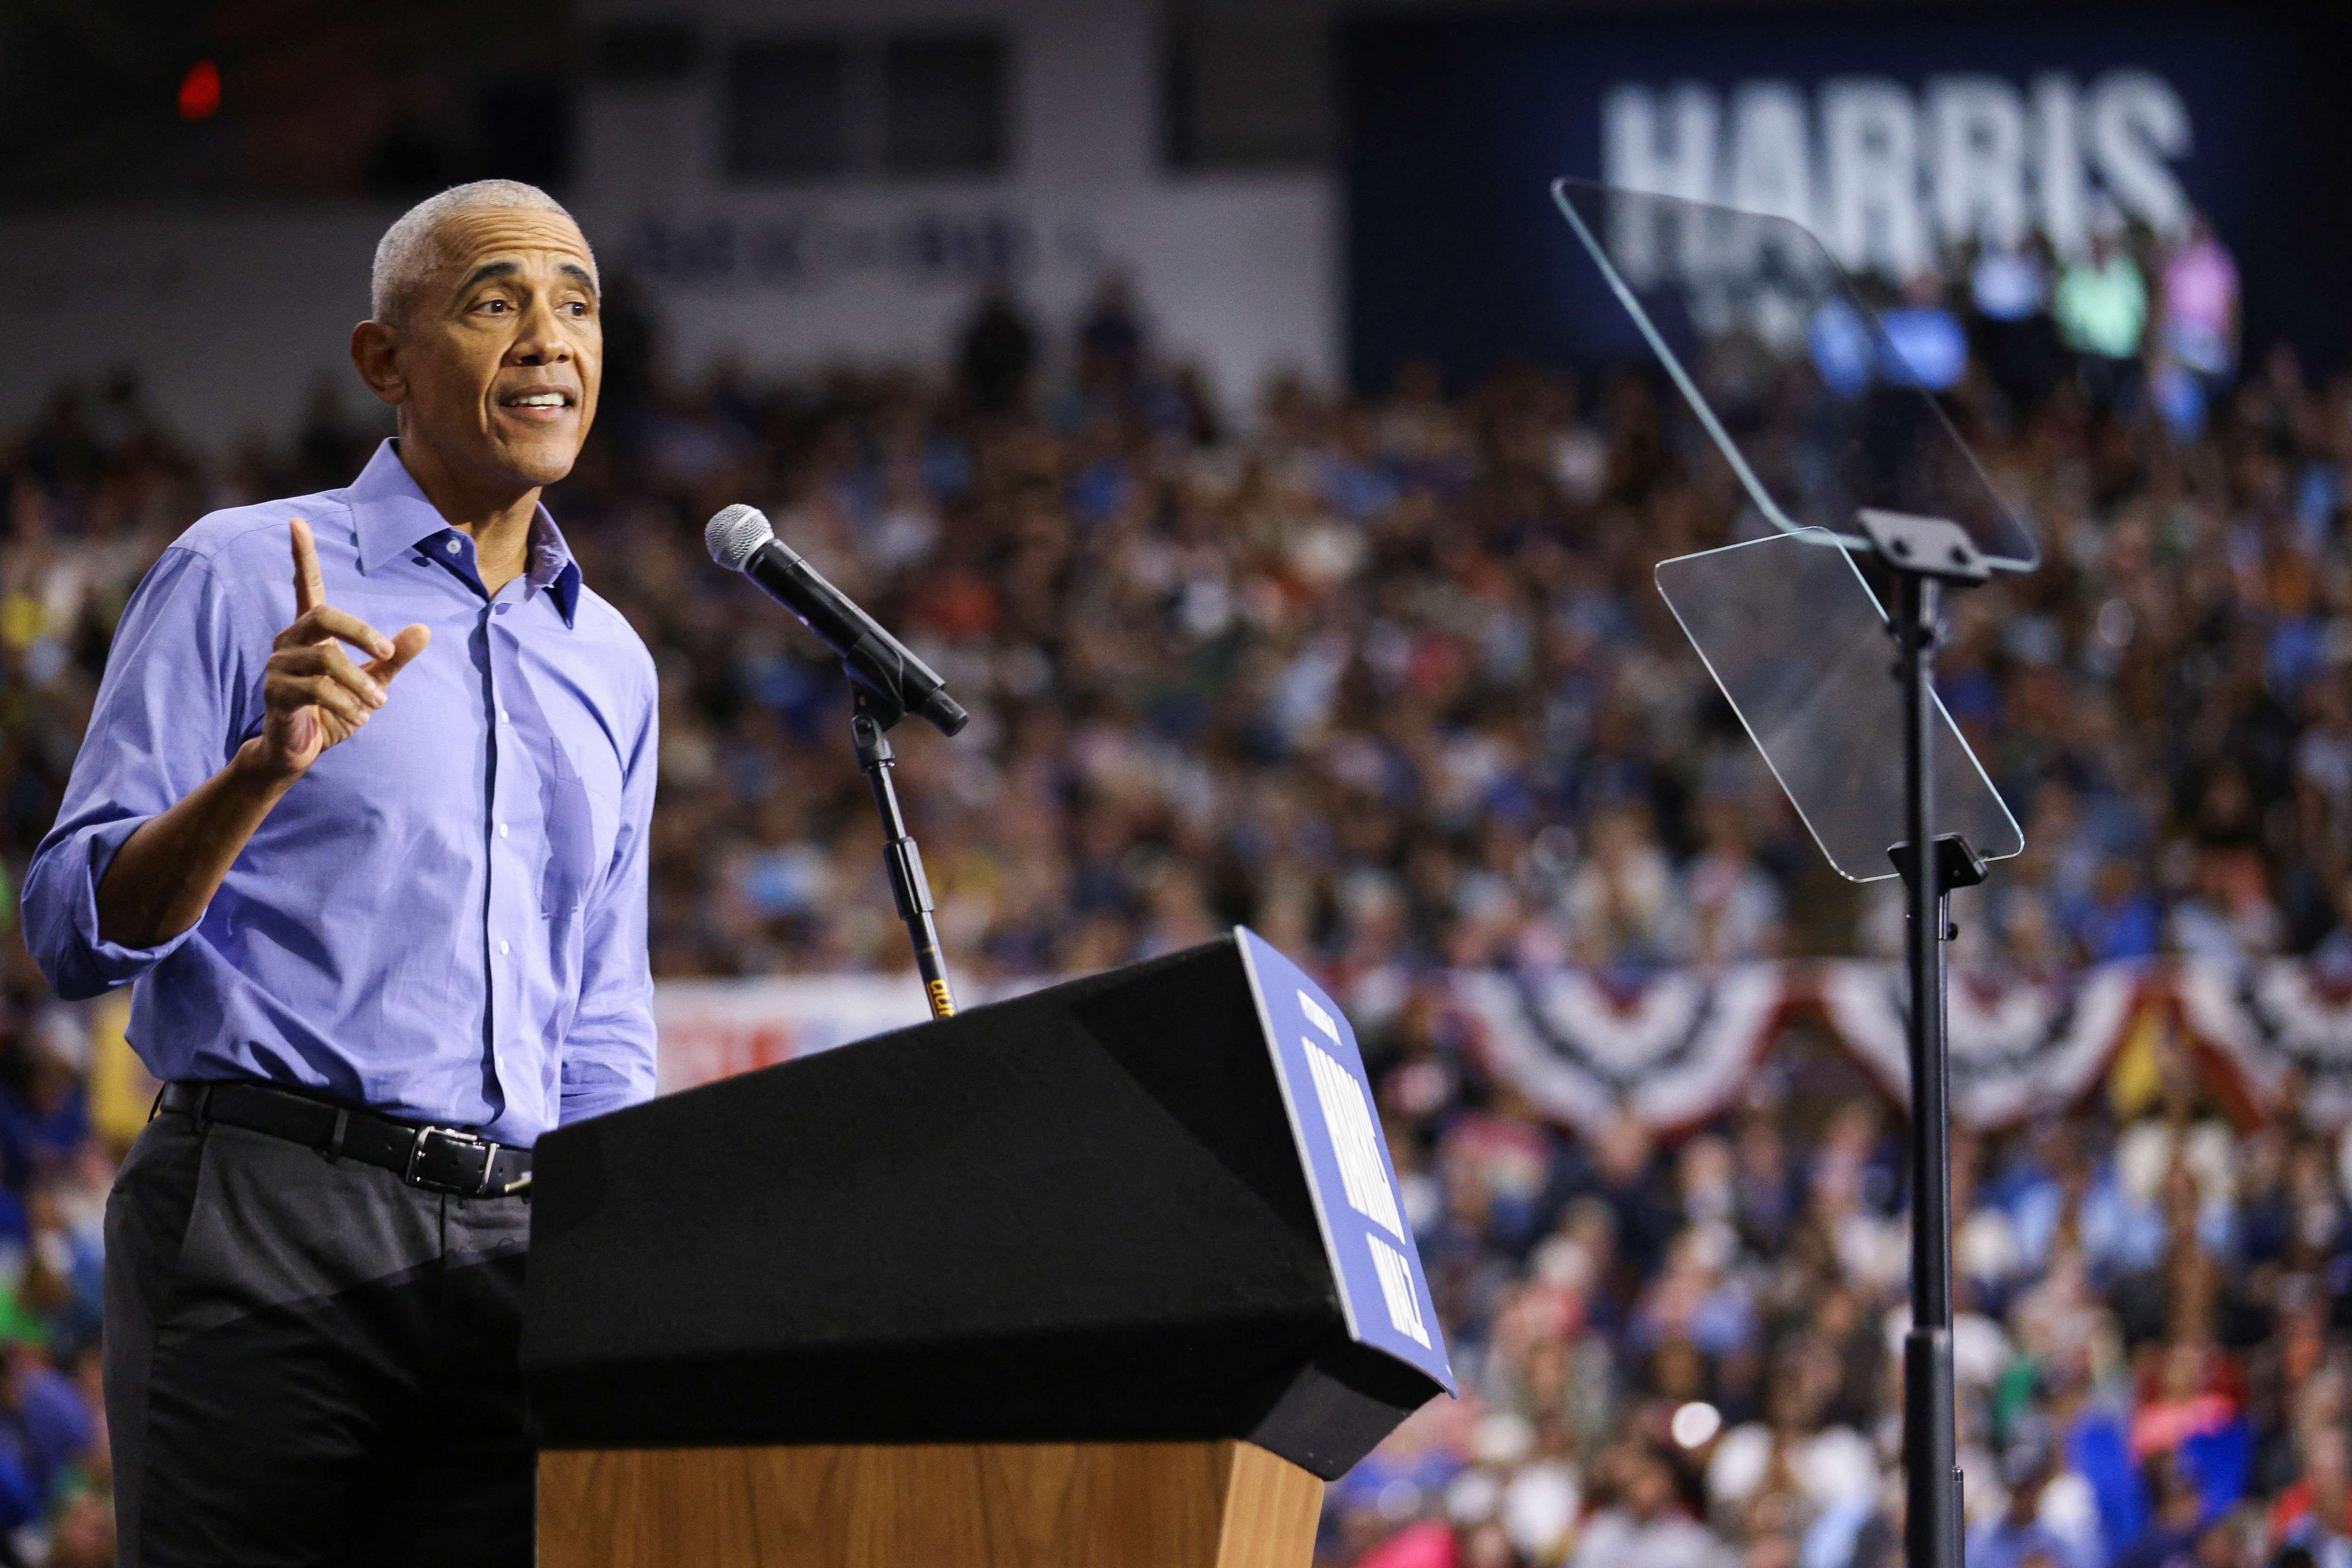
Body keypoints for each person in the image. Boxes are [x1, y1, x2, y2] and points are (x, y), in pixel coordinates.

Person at [22, 180, 659, 1565]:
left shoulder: (612, 658)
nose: (550, 339)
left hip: (516, 1256)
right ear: (385, 361)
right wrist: (260, 767)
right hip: (268, 1218)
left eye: (578, 305)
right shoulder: (241, 571)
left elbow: (601, 1013)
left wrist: (619, 1267)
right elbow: (71, 924)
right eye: (495, 301)